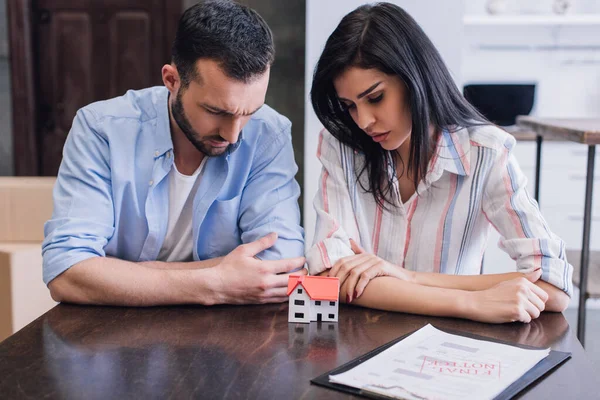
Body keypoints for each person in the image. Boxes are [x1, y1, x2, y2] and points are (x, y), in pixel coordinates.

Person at [307, 2, 572, 323]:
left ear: (414, 79)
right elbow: (327, 279)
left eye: (375, 98)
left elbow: (554, 287)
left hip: (450, 352)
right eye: (349, 106)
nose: (363, 121)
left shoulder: (485, 152)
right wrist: (470, 302)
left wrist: (409, 278)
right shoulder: (341, 147)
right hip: (361, 347)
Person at [42, 0, 305, 306]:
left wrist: (125, 276)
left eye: (249, 112)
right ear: (171, 80)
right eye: (215, 111)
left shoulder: (268, 133)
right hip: (109, 333)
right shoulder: (102, 129)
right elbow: (66, 272)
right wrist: (216, 282)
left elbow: (280, 268)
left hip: (226, 337)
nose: (233, 134)